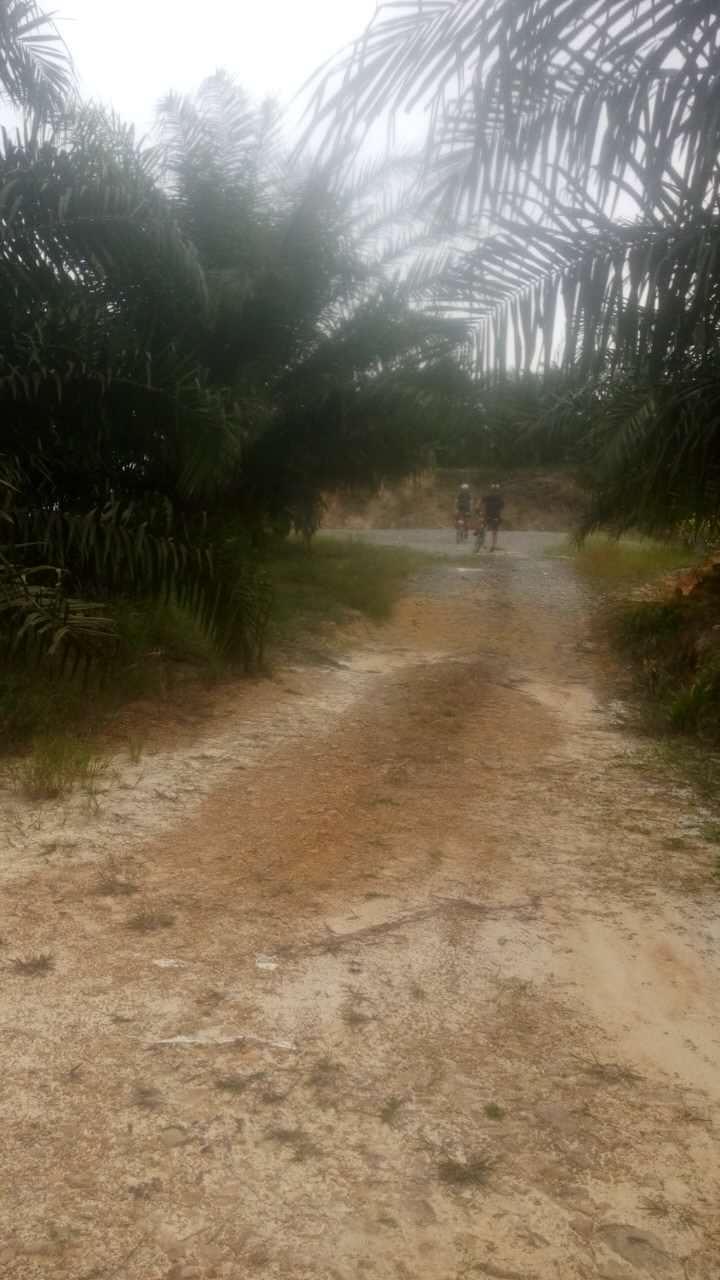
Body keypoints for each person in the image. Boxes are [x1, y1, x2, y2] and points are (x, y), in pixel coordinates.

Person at [482, 483, 505, 551]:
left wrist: (477, 507)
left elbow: (481, 501)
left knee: (485, 528)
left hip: (490, 515)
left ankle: (490, 544)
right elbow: (502, 508)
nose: (495, 491)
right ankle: (492, 545)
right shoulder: (498, 498)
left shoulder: (490, 496)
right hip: (494, 516)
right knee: (493, 531)